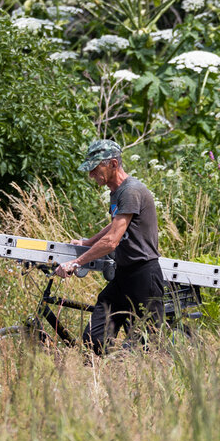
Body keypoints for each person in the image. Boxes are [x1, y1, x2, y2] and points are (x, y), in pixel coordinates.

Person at [54, 139, 164, 355]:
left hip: (143, 276)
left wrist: (75, 263)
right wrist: (88, 242)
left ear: (113, 164)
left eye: (96, 168)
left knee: (145, 349)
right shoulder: (117, 192)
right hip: (124, 275)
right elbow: (115, 224)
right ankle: (107, 376)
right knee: (95, 338)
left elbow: (112, 240)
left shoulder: (131, 190)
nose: (92, 175)